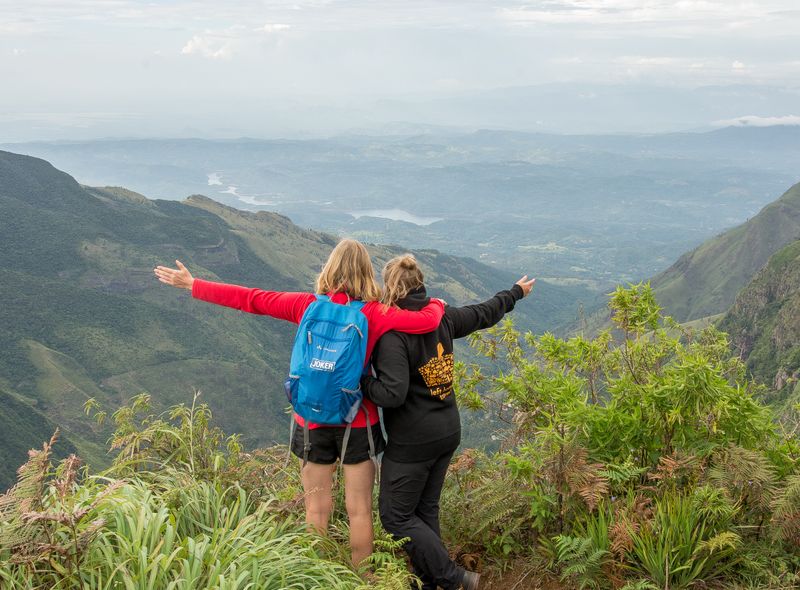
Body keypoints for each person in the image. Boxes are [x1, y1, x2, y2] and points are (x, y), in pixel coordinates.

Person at [153, 239, 445, 566]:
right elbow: (427, 322)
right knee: (359, 510)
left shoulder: (305, 305)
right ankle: (363, 581)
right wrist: (437, 304)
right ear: (367, 274)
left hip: (311, 421)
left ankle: (317, 578)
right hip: (358, 422)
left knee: (316, 509)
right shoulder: (374, 314)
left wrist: (194, 284)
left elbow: (251, 299)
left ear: (329, 269)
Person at [360, 255, 534, 590]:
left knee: (395, 517)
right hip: (447, 430)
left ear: (390, 287)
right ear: (420, 283)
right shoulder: (442, 316)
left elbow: (392, 394)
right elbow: (483, 313)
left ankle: (454, 579)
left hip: (413, 440)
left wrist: (362, 382)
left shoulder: (393, 334)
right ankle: (429, 582)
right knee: (425, 512)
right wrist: (515, 293)